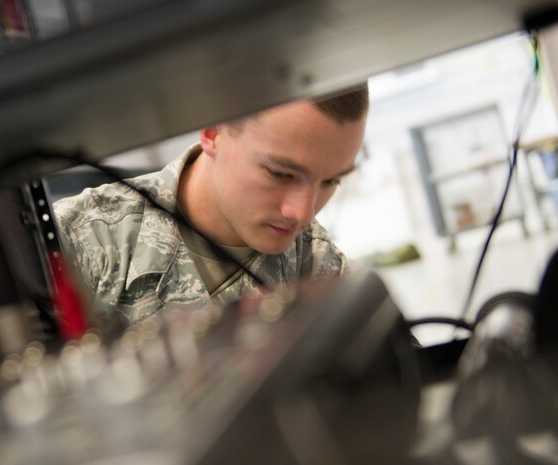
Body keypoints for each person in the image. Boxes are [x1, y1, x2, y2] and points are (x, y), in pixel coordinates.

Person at [53, 85, 369, 324]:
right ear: (213, 131)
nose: (301, 213)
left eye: (330, 181)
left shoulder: (316, 264)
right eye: (280, 174)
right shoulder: (79, 243)